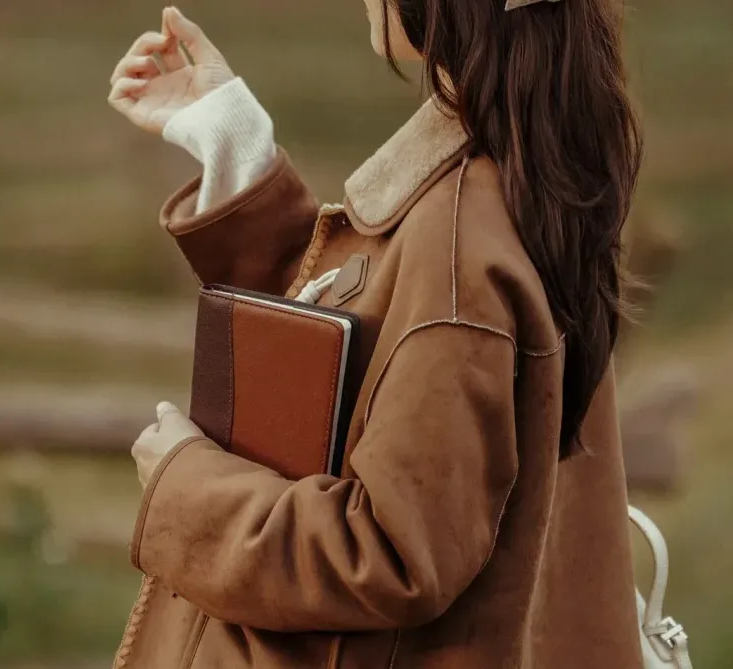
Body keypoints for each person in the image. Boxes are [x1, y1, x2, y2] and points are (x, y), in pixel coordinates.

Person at [107, 1, 644, 667]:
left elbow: (389, 551)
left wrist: (184, 483)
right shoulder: (520, 178)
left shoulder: (458, 245)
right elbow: (375, 359)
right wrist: (231, 141)